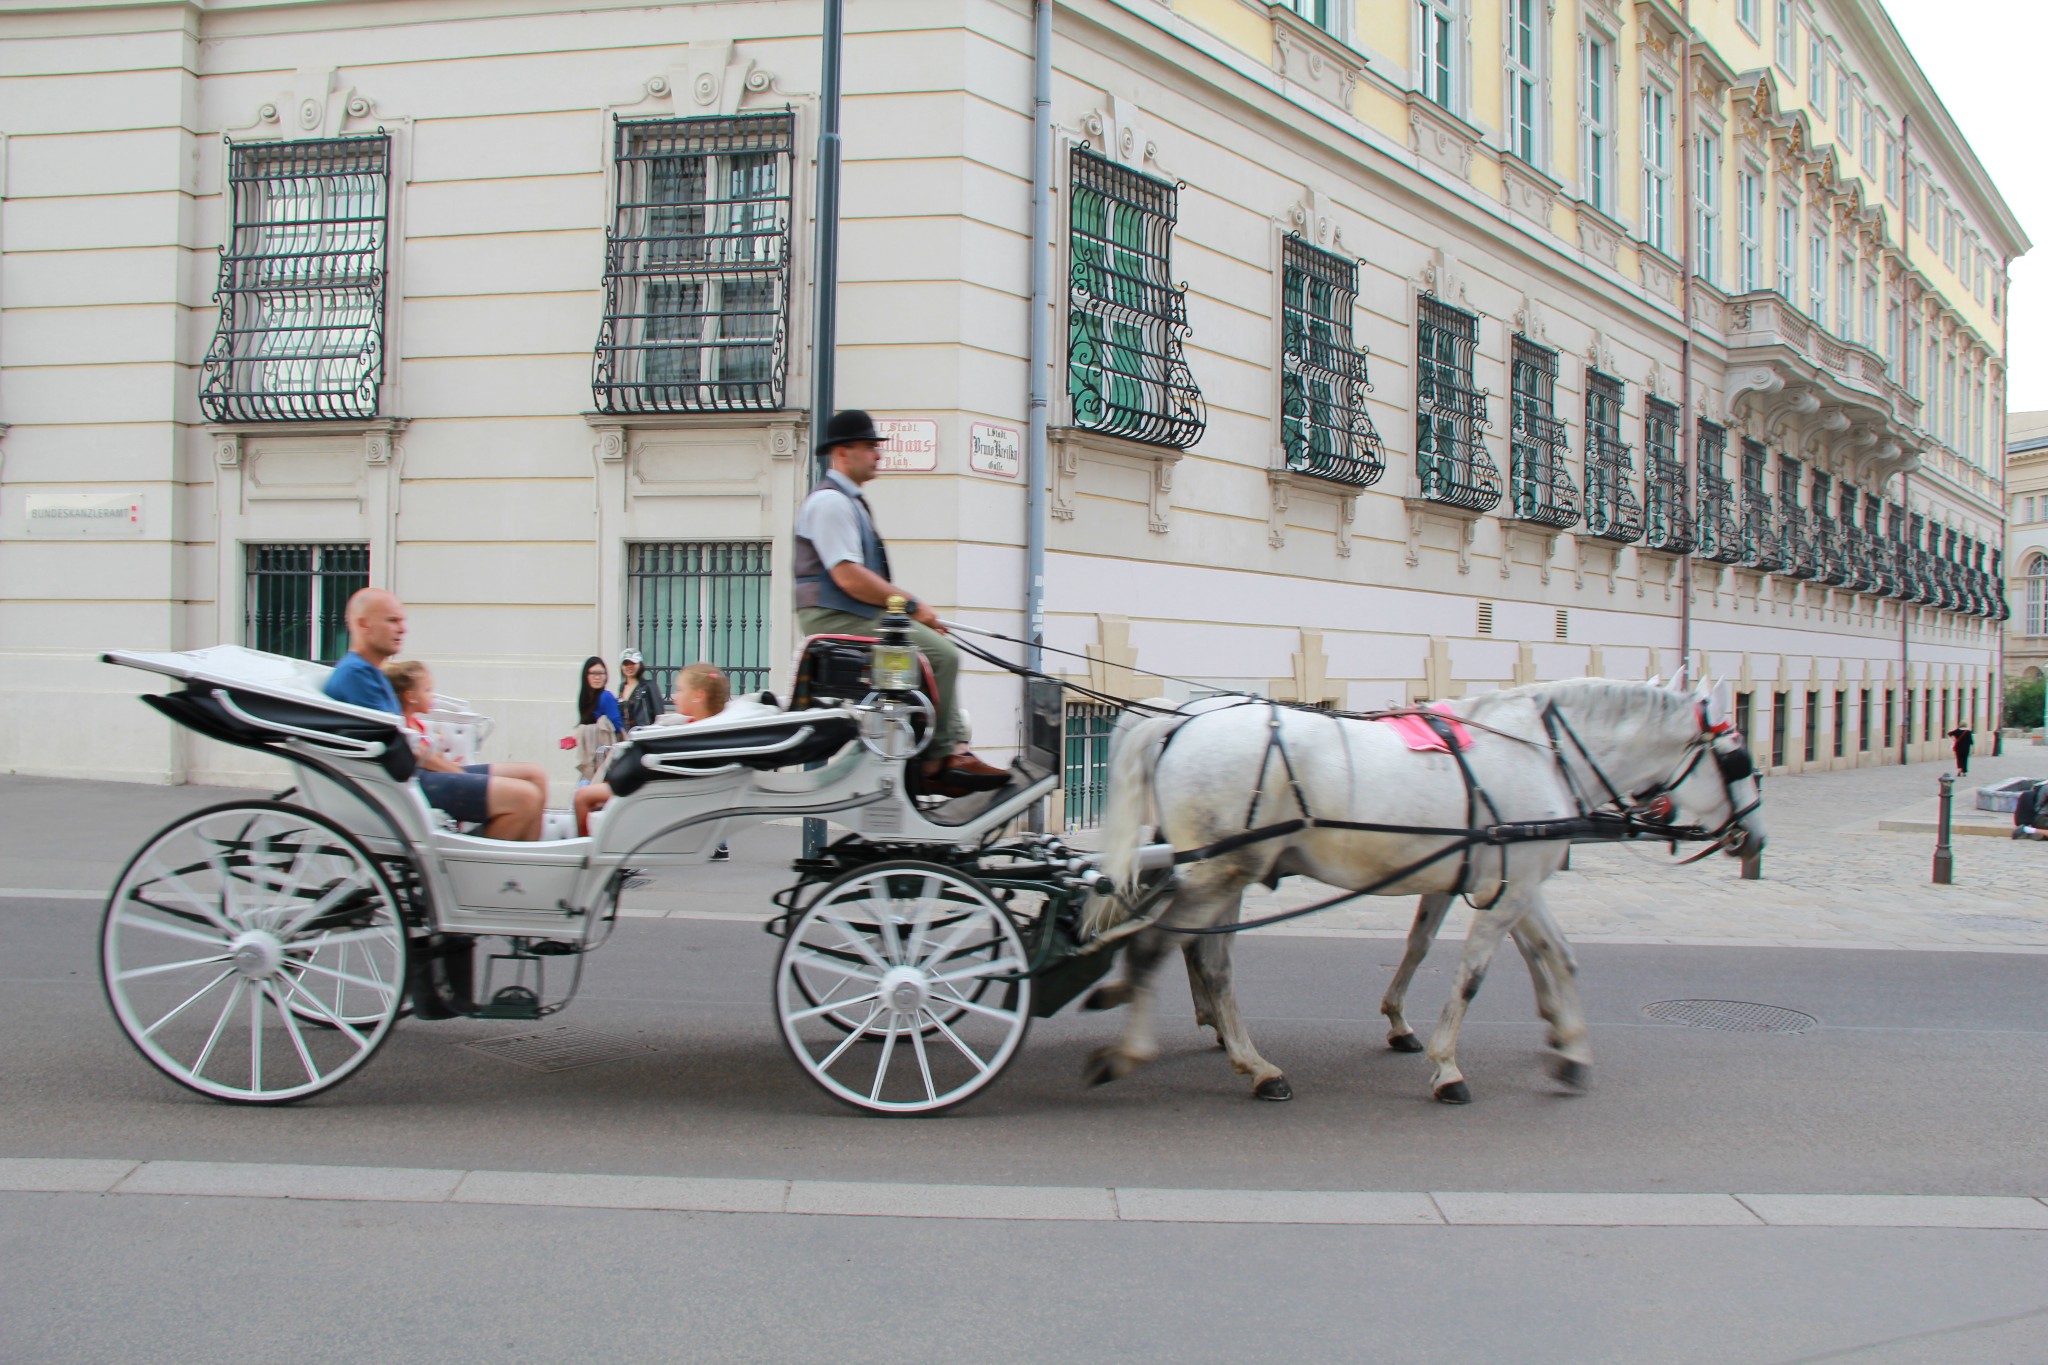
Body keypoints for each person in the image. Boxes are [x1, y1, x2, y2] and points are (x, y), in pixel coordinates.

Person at [794, 409, 1007, 796]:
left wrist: (910, 611)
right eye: (870, 447)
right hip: (832, 617)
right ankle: (939, 761)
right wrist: (910, 605)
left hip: (846, 613)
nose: (878, 454)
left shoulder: (846, 501)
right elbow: (848, 576)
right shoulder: (830, 503)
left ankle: (944, 749)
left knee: (937, 650)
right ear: (843, 452)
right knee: (941, 656)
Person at [322, 588, 546, 841]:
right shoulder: (357, 675)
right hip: (408, 785)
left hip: (415, 775)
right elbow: (404, 745)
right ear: (364, 624)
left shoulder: (369, 671)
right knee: (525, 797)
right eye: (392, 620)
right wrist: (455, 771)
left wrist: (451, 768)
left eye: (403, 621)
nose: (403, 628)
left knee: (535, 775)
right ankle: (480, 876)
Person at [574, 661, 764, 842]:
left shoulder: (694, 731)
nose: (674, 696)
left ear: (699, 695)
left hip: (653, 792)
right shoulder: (702, 728)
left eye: (680, 690)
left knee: (582, 797)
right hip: (659, 790)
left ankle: (585, 852)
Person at [570, 656, 625, 783]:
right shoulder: (585, 699)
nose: (597, 677)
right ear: (586, 676)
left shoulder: (606, 697)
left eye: (601, 673)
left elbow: (616, 726)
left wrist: (597, 726)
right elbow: (585, 723)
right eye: (593, 673)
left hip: (603, 761)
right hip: (591, 761)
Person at [616, 648, 660, 731]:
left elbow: (659, 714)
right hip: (627, 736)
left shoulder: (649, 686)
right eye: (626, 664)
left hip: (644, 735)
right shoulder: (622, 687)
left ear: (640, 664)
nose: (629, 666)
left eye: (633, 663)